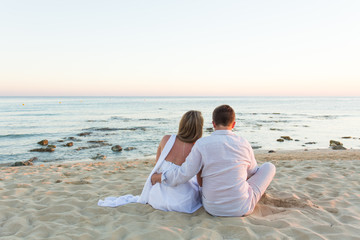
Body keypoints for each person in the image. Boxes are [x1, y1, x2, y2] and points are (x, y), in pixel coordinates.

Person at [151, 105, 276, 217]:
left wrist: (161, 177)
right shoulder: (243, 143)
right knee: (269, 167)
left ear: (213, 124)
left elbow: (184, 174)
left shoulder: (201, 144)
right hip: (241, 207)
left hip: (212, 208)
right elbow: (252, 172)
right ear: (233, 124)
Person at [98, 110, 203, 214]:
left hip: (157, 198)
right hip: (182, 203)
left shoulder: (166, 139)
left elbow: (157, 165)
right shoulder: (197, 148)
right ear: (199, 128)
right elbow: (199, 180)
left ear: (182, 124)